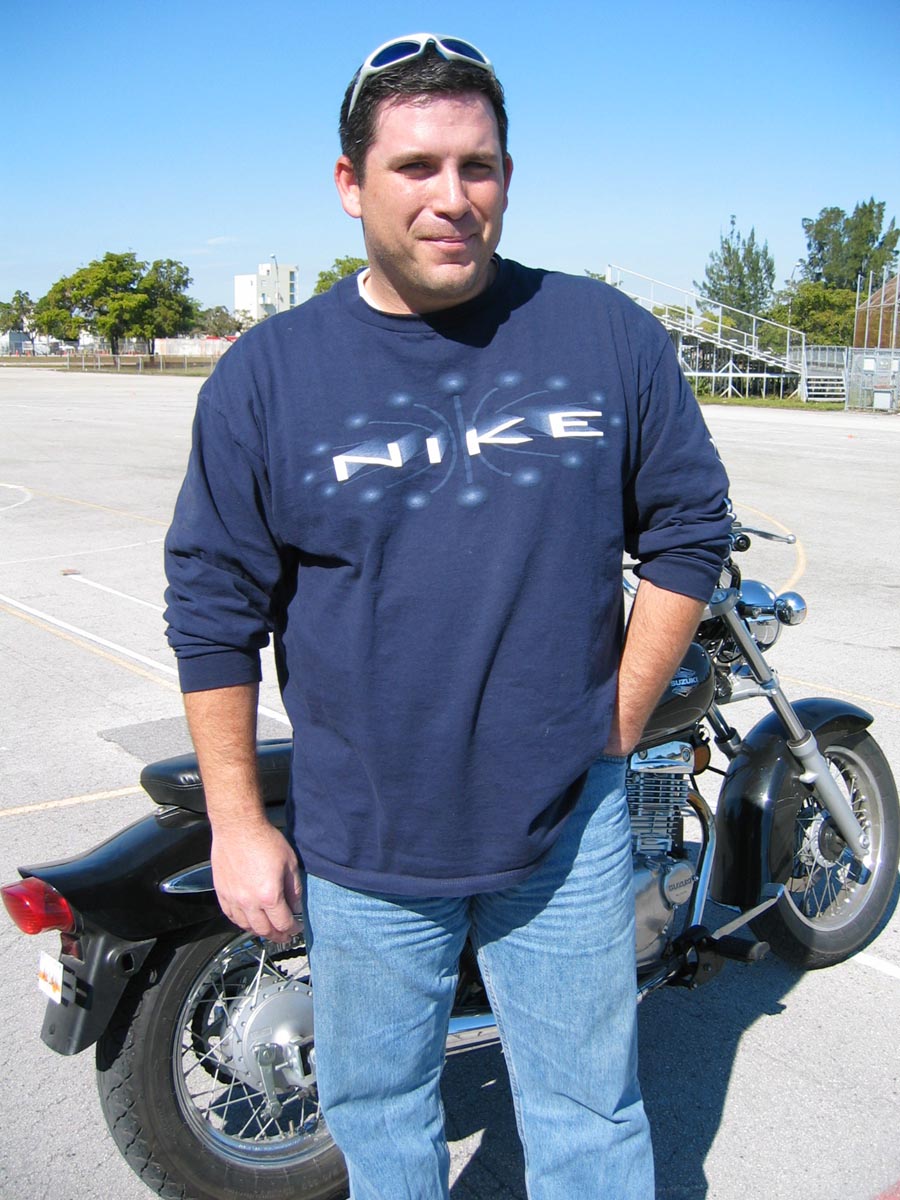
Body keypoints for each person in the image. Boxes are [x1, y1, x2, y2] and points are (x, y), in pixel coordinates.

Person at [164, 32, 731, 1199]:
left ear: (508, 177)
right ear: (350, 183)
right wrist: (236, 820)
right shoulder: (268, 375)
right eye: (415, 167)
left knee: (589, 1117)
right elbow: (214, 607)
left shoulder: (603, 335)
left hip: (565, 828)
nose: (451, 197)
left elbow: (690, 529)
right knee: (382, 1121)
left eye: (477, 166)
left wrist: (619, 722)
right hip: (367, 840)